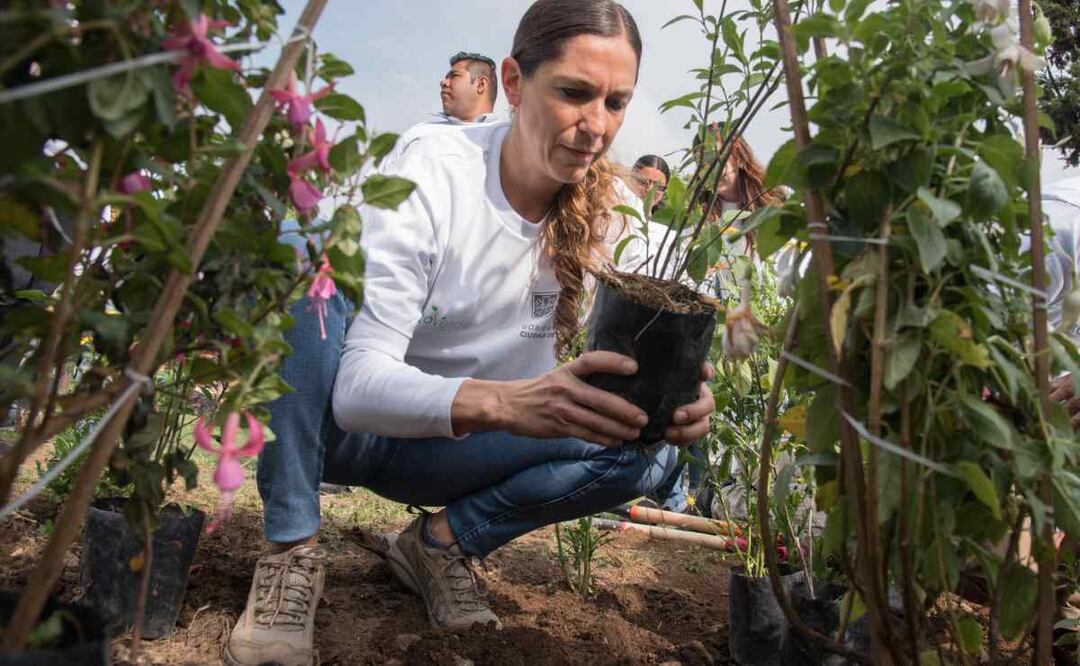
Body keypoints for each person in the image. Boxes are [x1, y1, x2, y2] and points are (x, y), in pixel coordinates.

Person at [226, 3, 717, 665]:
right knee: (299, 247)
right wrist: (511, 403)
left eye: (615, 102)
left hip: (455, 451)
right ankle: (289, 550)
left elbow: (650, 349)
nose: (595, 125)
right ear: (514, 83)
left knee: (653, 450)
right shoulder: (435, 168)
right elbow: (356, 388)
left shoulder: (612, 209)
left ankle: (438, 546)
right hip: (349, 432)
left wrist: (677, 397)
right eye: (573, 93)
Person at [379, 51, 501, 169]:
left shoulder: (504, 139)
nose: (443, 82)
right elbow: (370, 182)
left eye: (454, 76)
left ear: (481, 84)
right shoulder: (418, 132)